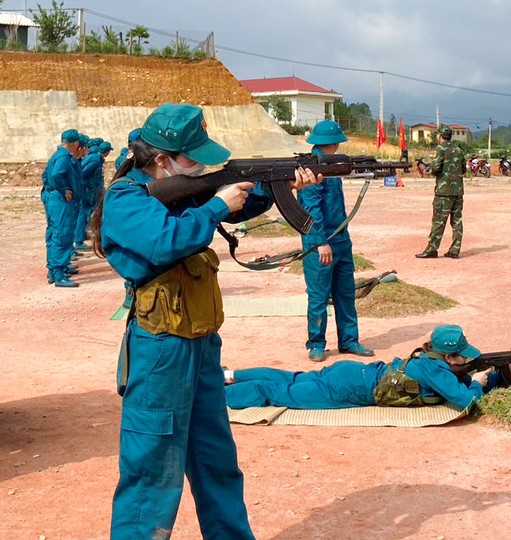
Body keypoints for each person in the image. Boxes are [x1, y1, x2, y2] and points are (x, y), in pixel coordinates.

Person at [90, 103, 322, 539]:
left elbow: (236, 206)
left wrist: (277, 185)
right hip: (161, 350)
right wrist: (215, 206)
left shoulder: (186, 189)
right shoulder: (126, 198)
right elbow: (164, 242)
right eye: (191, 155)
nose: (200, 163)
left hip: (201, 345)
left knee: (216, 462)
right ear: (162, 159)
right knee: (152, 471)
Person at [224, 324, 510, 411]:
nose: (467, 361)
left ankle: (228, 375)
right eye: (462, 357)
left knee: (293, 378)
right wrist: (479, 383)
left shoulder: (430, 362)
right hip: (351, 387)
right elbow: (467, 401)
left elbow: (459, 380)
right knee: (279, 393)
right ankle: (213, 396)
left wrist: (507, 372)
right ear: (448, 358)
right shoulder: (434, 371)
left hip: (354, 374)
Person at [298, 119, 373, 362]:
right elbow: (311, 209)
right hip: (320, 242)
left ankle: (349, 340)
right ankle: (316, 343)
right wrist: (321, 242)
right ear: (333, 142)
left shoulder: (331, 164)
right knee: (319, 297)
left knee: (345, 294)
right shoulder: (311, 168)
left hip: (341, 239)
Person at [416, 124, 466, 259]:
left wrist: (426, 170)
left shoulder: (441, 149)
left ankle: (432, 249)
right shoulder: (459, 150)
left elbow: (435, 168)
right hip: (458, 192)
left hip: (444, 192)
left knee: (438, 221)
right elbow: (464, 169)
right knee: (457, 222)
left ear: (440, 136)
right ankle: (455, 250)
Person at [41, 128, 81, 287]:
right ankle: (59, 274)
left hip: (53, 198)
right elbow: (56, 174)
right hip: (60, 201)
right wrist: (63, 190)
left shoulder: (56, 155)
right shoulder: (64, 157)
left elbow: (45, 175)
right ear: (75, 143)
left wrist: (49, 191)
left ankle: (53, 270)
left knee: (54, 233)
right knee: (62, 233)